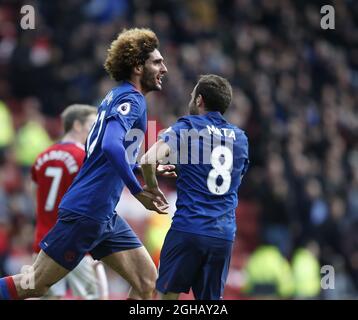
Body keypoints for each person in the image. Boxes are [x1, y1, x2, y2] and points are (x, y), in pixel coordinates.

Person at [0, 28, 170, 300]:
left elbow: (103, 154)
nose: (165, 68)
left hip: (104, 214)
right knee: (34, 284)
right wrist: (137, 190)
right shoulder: (132, 100)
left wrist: (139, 169)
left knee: (147, 282)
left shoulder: (115, 96)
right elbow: (110, 146)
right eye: (157, 62)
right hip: (87, 211)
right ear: (138, 67)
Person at [140, 74, 249, 300]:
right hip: (223, 234)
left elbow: (148, 160)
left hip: (189, 228)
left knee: (166, 297)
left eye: (192, 96)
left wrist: (152, 188)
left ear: (199, 100)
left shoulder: (188, 126)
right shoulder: (240, 138)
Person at [31, 104, 108, 299]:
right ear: (76, 125)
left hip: (42, 239)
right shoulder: (83, 156)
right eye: (92, 124)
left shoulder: (42, 157)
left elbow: (35, 194)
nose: (95, 129)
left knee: (46, 296)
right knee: (92, 296)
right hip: (71, 240)